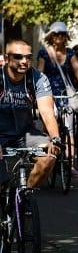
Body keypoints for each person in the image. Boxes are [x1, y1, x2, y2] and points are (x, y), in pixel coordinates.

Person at [0, 40, 61, 186]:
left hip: (25, 134)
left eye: (28, 57)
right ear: (7, 58)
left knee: (49, 157)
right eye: (18, 57)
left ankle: (26, 194)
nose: (24, 61)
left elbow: (47, 112)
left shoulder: (38, 78)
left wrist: (55, 138)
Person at [36, 21, 78, 176]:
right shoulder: (44, 53)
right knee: (49, 129)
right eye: (56, 34)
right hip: (48, 94)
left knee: (69, 130)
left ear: (66, 37)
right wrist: (37, 91)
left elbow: (77, 71)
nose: (59, 37)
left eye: (62, 34)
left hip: (65, 95)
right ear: (51, 36)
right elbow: (39, 72)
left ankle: (70, 165)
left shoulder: (70, 53)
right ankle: (48, 160)